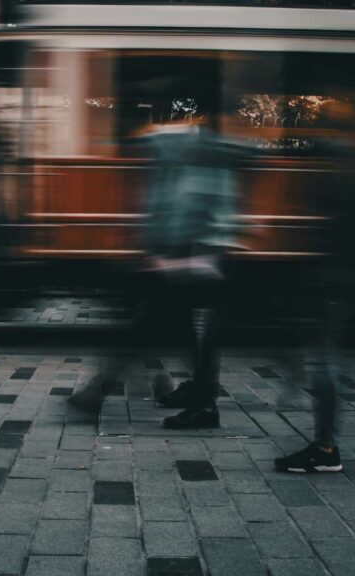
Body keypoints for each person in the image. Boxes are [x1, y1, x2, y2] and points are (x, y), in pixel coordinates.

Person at [275, 99, 355, 473]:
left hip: (338, 274)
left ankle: (326, 448)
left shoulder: (337, 165)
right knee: (323, 356)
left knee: (323, 359)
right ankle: (325, 445)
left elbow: (334, 223)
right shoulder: (354, 160)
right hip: (350, 273)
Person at [138, 113, 242, 430]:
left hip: (204, 261)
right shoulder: (207, 158)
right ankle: (198, 392)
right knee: (193, 329)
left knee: (201, 332)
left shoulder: (201, 162)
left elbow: (200, 216)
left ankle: (204, 407)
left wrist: (169, 254)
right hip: (201, 259)